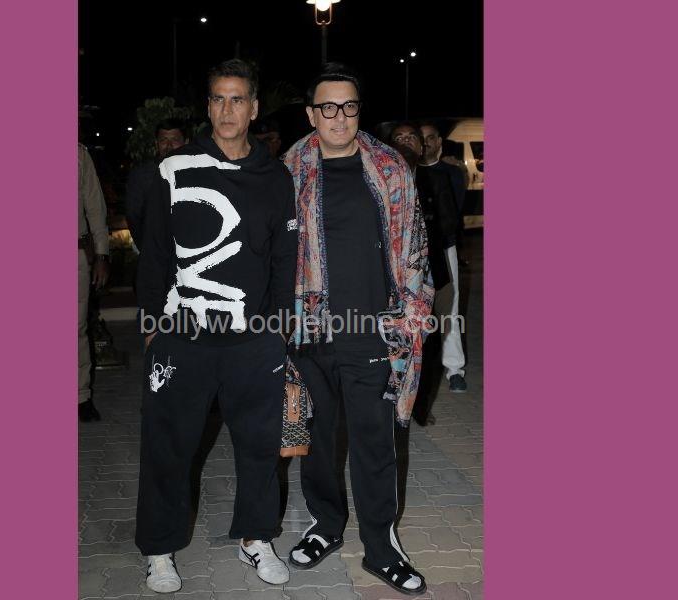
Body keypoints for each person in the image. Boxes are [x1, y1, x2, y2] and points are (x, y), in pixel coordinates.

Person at [134, 59, 297, 593]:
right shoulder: (174, 167)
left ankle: (256, 537)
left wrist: (279, 325)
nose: (227, 110)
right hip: (182, 335)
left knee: (259, 447)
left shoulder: (275, 176)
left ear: (254, 108)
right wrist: (152, 322)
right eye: (218, 99)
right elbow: (154, 251)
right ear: (208, 106)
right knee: (168, 446)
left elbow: (284, 257)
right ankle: (159, 548)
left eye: (237, 99)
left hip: (254, 339)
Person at [282, 64, 433, 596]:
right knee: (318, 441)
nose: (339, 116)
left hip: (374, 332)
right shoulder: (288, 171)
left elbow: (414, 246)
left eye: (348, 106)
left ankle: (381, 548)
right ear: (311, 114)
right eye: (328, 107)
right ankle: (325, 526)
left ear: (358, 110)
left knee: (375, 445)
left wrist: (411, 318)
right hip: (309, 334)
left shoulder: (391, 168)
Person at [391, 122, 458, 425]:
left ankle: (421, 407)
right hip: (395, 282)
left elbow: (449, 226)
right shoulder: (382, 180)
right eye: (399, 137)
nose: (405, 141)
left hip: (432, 276)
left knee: (429, 346)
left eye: (411, 137)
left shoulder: (436, 178)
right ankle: (393, 403)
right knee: (396, 344)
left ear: (422, 146)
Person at [419, 121, 468, 393]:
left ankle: (454, 368)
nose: (426, 143)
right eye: (421, 138)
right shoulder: (406, 170)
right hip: (413, 252)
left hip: (444, 249)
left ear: (439, 142)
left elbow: (454, 213)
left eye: (430, 138)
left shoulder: (452, 172)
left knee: (449, 308)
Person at [78, 143, 110, 422]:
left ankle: (80, 396)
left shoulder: (77, 154)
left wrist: (101, 254)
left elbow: (95, 206)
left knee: (76, 328)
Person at [125, 119, 189, 251]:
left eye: (175, 140)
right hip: (154, 251)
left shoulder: (197, 174)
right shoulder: (143, 176)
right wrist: (146, 249)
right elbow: (133, 216)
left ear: (186, 142)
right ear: (156, 143)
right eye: (163, 140)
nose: (169, 145)